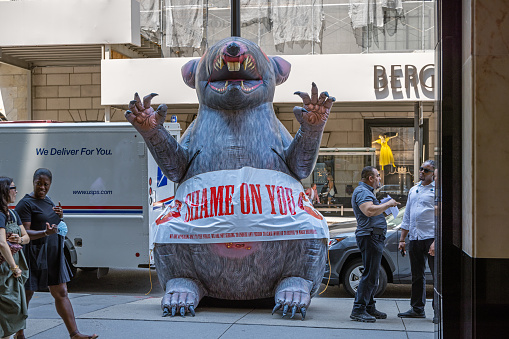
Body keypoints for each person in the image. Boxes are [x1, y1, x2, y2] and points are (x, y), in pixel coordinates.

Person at [14, 169, 98, 339]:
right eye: (39, 183)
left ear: (50, 184)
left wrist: (59, 216)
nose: (42, 187)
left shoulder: (48, 201)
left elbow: (52, 225)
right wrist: (45, 233)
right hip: (33, 255)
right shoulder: (26, 204)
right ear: (33, 182)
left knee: (61, 292)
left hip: (52, 254)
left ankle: (74, 334)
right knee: (26, 294)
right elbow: (25, 234)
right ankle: (19, 333)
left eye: (46, 184)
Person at [350, 166, 400, 322]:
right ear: (370, 178)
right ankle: (358, 309)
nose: (380, 179)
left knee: (372, 273)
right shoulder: (362, 192)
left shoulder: (367, 192)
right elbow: (369, 211)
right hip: (370, 237)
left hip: (373, 236)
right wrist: (388, 204)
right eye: (378, 176)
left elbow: (373, 212)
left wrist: (386, 209)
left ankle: (369, 306)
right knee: (370, 275)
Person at [397, 160, 436, 323]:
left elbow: (441, 218)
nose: (422, 172)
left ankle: (439, 312)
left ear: (433, 173)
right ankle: (417, 309)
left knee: (437, 276)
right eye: (421, 169)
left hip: (431, 238)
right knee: (417, 275)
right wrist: (402, 239)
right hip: (415, 237)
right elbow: (407, 215)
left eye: (426, 170)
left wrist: (437, 241)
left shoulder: (437, 191)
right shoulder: (414, 190)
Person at [0, 177, 29, 339]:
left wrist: (20, 239)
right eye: (13, 188)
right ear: (4, 191)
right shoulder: (0, 215)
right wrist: (14, 267)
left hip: (12, 271)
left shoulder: (12, 213)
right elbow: (1, 243)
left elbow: (26, 237)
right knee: (8, 308)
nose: (16, 191)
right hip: (5, 270)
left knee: (12, 309)